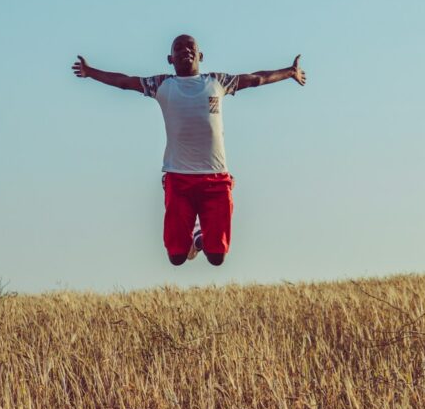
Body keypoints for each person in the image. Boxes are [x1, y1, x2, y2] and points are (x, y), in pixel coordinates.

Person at [71, 34, 307, 266]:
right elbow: (125, 82)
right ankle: (195, 232)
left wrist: (290, 72)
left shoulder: (217, 82)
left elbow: (256, 79)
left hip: (215, 177)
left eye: (190, 46)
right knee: (176, 258)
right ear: (170, 59)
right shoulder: (162, 85)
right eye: (178, 47)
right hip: (178, 178)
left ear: (200, 55)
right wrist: (90, 72)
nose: (185, 50)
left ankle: (200, 235)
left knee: (217, 258)